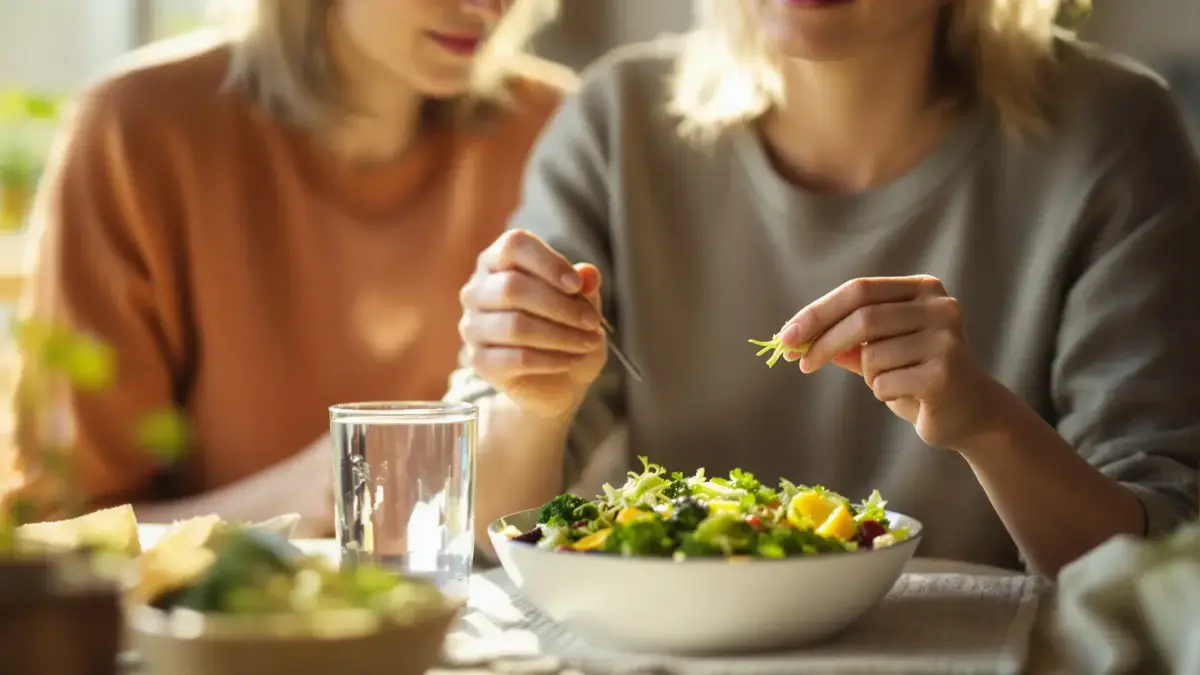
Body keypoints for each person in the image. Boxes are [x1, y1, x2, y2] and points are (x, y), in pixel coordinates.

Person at [450, 0, 1200, 580]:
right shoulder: (615, 121)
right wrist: (532, 402)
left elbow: (1157, 559)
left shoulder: (1115, 134)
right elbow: (476, 526)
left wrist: (989, 425)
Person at [7, 0, 572, 536]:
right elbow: (63, 527)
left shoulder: (554, 128)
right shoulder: (137, 128)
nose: (489, 4)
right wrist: (328, 485)